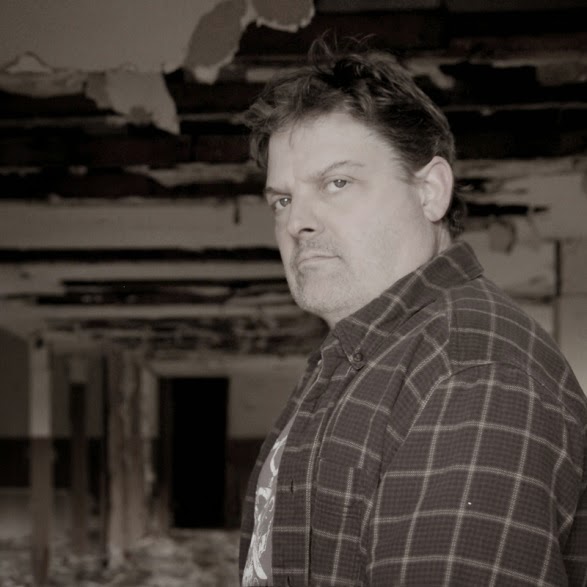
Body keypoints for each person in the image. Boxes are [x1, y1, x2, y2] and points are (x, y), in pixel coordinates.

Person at [238, 37, 587, 586]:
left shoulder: (469, 373)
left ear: (430, 191)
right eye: (282, 199)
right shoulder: (362, 359)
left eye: (337, 183)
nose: (297, 221)